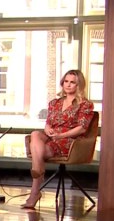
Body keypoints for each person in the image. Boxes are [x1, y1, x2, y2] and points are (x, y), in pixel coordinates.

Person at [23, 69, 95, 209]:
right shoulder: (54, 103)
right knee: (35, 134)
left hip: (69, 140)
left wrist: (61, 135)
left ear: (79, 85)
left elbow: (82, 128)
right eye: (66, 81)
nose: (68, 85)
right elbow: (48, 123)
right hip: (52, 137)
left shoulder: (85, 105)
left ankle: (35, 188)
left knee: (38, 149)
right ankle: (38, 170)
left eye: (72, 82)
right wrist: (48, 130)